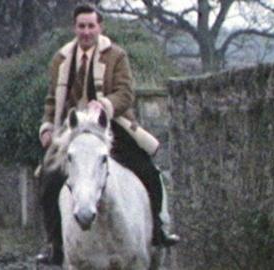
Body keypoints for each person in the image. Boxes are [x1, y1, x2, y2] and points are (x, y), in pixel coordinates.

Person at [36, 4, 179, 265]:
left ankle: (158, 230)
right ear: (74, 28)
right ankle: (55, 244)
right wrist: (47, 127)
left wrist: (104, 105)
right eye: (81, 26)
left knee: (148, 172)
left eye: (91, 26)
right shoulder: (61, 59)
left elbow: (126, 93)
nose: (86, 31)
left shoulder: (116, 55)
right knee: (47, 179)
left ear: (100, 27)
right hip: (74, 131)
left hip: (111, 127)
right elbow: (50, 99)